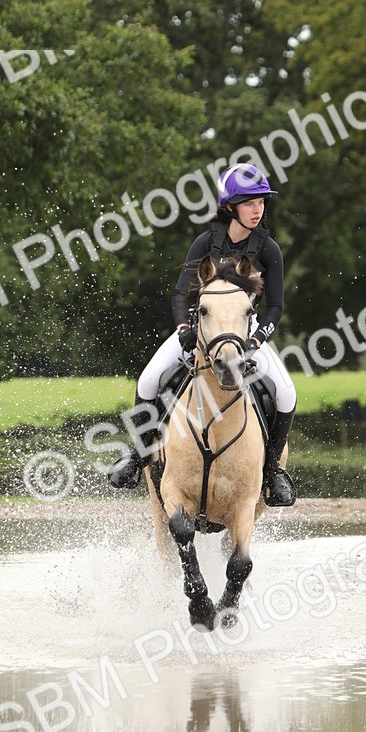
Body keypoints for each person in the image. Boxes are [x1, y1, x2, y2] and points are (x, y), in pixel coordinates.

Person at [108, 163, 296, 505]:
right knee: (149, 380)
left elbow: (276, 307)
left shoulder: (268, 249)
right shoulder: (205, 243)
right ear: (230, 206)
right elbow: (181, 295)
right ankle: (137, 456)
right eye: (250, 203)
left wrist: (256, 340)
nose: (258, 210)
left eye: (262, 202)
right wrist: (184, 329)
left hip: (247, 332)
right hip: (200, 329)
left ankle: (271, 472)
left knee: (286, 393)